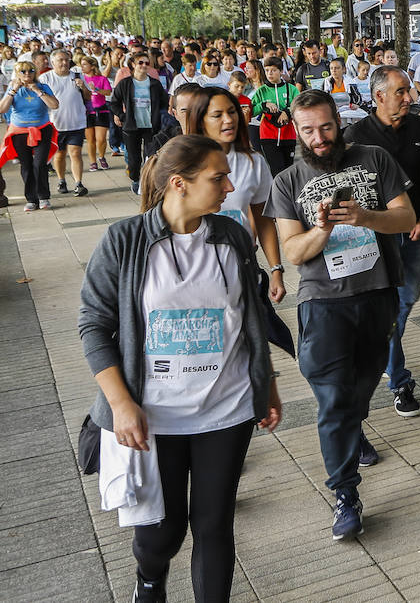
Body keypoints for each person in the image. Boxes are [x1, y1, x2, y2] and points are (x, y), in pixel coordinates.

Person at [78, 134, 283, 603]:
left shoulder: (232, 237)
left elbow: (249, 320)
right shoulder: (125, 241)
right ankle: (150, 580)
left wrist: (266, 382)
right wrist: (120, 403)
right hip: (153, 418)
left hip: (225, 409)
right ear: (179, 184)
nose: (230, 187)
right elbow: (93, 325)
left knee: (214, 525)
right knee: (161, 535)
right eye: (218, 177)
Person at [265, 89, 415, 541]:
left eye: (326, 127)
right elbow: (293, 251)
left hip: (377, 295)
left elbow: (405, 218)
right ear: (297, 131)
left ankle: (353, 427)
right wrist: (324, 228)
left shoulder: (374, 158)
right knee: (333, 399)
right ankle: (345, 494)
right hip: (323, 302)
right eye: (308, 130)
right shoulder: (287, 182)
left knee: (363, 386)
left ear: (339, 123)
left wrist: (366, 217)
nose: (319, 138)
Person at [343, 66, 420, 418]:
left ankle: (379, 349)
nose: (409, 98)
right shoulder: (356, 135)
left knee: (407, 300)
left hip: (415, 230)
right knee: (388, 309)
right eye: (401, 92)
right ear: (379, 96)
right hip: (374, 239)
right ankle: (399, 381)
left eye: (409, 91)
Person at [183, 85, 287, 305]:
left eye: (232, 112)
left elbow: (264, 219)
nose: (228, 120)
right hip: (193, 275)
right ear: (200, 120)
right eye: (217, 115)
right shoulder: (183, 162)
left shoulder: (254, 161)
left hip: (243, 269)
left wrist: (276, 269)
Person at [0, 61, 60, 210]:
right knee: (26, 165)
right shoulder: (14, 89)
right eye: (23, 71)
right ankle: (31, 199)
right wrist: (13, 91)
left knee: (39, 164)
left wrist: (38, 91)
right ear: (17, 73)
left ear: (35, 73)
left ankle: (43, 197)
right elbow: (2, 109)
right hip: (20, 132)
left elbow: (54, 105)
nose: (27, 74)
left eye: (31, 71)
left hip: (42, 129)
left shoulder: (43, 87)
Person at [109, 52, 169, 195]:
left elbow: (164, 101)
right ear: (133, 65)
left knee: (151, 155)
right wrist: (123, 116)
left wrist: (158, 115)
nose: (144, 66)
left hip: (151, 126)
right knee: (134, 158)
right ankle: (136, 179)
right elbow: (114, 102)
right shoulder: (126, 83)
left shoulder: (154, 84)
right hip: (132, 126)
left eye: (147, 63)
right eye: (141, 63)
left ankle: (149, 181)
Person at [41, 49, 92, 197]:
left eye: (66, 60)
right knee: (60, 154)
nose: (64, 63)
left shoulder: (77, 76)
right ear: (53, 63)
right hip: (56, 123)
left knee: (75, 153)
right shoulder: (45, 78)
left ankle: (78, 183)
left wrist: (82, 86)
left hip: (76, 121)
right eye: (60, 60)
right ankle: (61, 179)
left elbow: (88, 97)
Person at [253, 57, 298, 176]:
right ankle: (278, 193)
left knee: (288, 170)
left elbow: (299, 107)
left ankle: (289, 194)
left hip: (288, 135)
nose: (270, 73)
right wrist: (263, 105)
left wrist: (287, 112)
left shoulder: (291, 89)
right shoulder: (261, 91)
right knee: (277, 170)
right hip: (268, 136)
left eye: (273, 70)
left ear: (281, 71)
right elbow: (251, 111)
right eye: (267, 70)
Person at [80, 55, 113, 171]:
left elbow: (108, 92)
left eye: (84, 64)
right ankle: (93, 162)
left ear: (92, 66)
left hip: (101, 110)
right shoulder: (81, 79)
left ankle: (101, 157)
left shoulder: (102, 78)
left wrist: (97, 90)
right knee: (90, 140)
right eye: (81, 64)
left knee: (101, 139)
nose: (82, 67)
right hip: (87, 111)